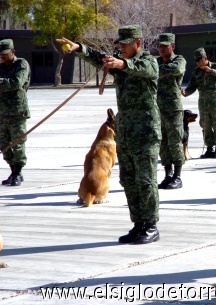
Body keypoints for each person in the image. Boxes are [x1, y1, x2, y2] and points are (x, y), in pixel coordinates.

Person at [56, 25, 161, 245]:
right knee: (128, 180)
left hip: (145, 133)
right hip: (125, 134)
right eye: (119, 44)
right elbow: (98, 57)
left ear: (138, 43)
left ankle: (151, 226)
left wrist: (122, 63)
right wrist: (78, 48)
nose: (121, 48)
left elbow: (143, 69)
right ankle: (138, 224)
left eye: (125, 44)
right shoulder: (118, 63)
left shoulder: (148, 62)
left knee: (145, 181)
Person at [0, 39, 31, 187]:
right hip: (2, 113)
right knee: (3, 144)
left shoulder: (21, 64)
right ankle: (13, 171)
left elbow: (17, 83)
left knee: (17, 144)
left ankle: (18, 173)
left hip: (17, 112)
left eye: (5, 54)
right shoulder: (0, 68)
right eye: (1, 54)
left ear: (13, 52)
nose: (2, 57)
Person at [181, 48, 216, 158]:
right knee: (205, 125)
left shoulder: (215, 66)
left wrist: (211, 71)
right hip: (203, 102)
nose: (198, 63)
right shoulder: (196, 72)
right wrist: (185, 92)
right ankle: (209, 148)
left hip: (215, 100)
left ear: (205, 58)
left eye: (199, 60)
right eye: (196, 61)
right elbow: (192, 86)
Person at [156, 33, 187, 190]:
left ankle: (178, 176)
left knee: (175, 143)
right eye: (160, 46)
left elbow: (174, 69)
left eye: (165, 46)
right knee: (163, 143)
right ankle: (168, 174)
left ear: (172, 47)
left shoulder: (179, 60)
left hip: (173, 109)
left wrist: (154, 69)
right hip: (158, 109)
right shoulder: (156, 62)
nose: (161, 49)